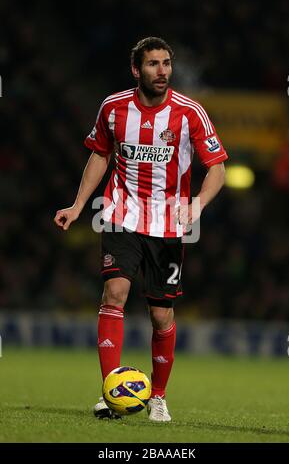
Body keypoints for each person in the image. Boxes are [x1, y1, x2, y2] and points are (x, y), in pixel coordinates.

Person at [54, 37, 228, 422]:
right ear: (137, 70)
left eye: (167, 63)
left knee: (161, 315)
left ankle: (159, 396)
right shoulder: (113, 108)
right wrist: (78, 204)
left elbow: (217, 167)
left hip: (168, 223)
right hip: (121, 213)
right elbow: (100, 154)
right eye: (153, 64)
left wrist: (197, 204)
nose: (162, 70)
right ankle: (109, 392)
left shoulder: (189, 112)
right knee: (114, 292)